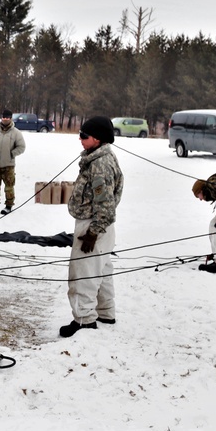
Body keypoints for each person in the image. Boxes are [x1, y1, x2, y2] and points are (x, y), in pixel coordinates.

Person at [60, 116, 124, 338]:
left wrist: (92, 234)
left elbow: (105, 205)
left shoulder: (99, 165)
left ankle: (84, 320)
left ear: (97, 139)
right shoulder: (98, 157)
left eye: (84, 136)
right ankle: (105, 312)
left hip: (94, 225)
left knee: (83, 273)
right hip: (102, 225)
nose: (80, 138)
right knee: (102, 270)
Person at [0, 109, 26, 214]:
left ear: (10, 118)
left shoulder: (16, 133)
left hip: (8, 165)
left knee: (9, 187)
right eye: (4, 117)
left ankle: (8, 206)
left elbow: (21, 147)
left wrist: (12, 154)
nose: (5, 119)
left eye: (7, 117)